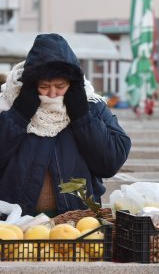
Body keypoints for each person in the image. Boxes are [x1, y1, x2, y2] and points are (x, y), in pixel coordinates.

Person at [0, 33, 131, 217]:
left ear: (72, 82)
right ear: (31, 83)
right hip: (15, 224)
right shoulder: (7, 103)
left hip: (77, 223)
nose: (52, 93)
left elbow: (110, 162)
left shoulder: (91, 105)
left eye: (60, 85)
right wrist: (18, 116)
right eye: (44, 86)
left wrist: (82, 118)